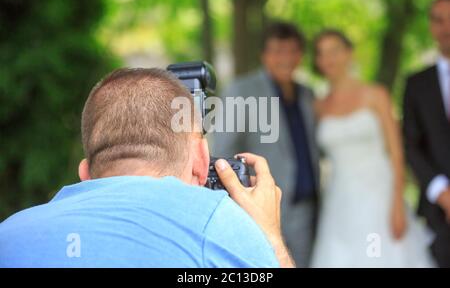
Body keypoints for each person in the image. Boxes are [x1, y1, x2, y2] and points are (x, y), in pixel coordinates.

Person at [0, 68, 294, 268]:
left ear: (86, 174)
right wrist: (269, 237)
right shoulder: (219, 223)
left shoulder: (8, 235)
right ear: (201, 162)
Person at [311, 30, 434, 267]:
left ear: (349, 53)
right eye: (322, 53)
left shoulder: (376, 95)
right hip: (339, 199)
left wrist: (397, 204)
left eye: (335, 50)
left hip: (380, 195)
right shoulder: (318, 106)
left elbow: (397, 154)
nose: (329, 59)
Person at [213, 22, 320, 267]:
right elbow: (223, 151)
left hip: (306, 207)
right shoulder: (241, 90)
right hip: (261, 205)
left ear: (300, 55)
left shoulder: (307, 94)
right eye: (277, 51)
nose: (285, 58)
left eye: (292, 50)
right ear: (264, 55)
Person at [403, 0, 450, 268]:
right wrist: (442, 192)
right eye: (439, 20)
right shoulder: (417, 84)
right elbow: (410, 143)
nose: (446, 28)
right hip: (437, 214)